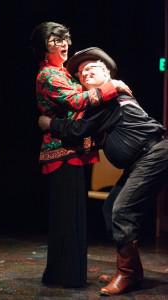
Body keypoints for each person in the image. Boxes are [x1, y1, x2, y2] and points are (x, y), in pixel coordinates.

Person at [38, 47, 168, 295]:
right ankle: (131, 270)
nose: (84, 74)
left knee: (121, 211)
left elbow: (78, 129)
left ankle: (128, 275)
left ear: (107, 74)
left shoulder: (108, 98)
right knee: (111, 208)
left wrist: (50, 123)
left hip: (154, 154)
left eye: (91, 68)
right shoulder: (103, 100)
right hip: (142, 159)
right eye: (80, 72)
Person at [31, 23, 130, 288]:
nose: (63, 44)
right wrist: (114, 86)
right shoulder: (48, 76)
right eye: (56, 40)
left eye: (65, 39)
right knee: (66, 217)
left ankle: (66, 274)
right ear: (44, 46)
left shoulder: (64, 73)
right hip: (60, 153)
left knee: (73, 217)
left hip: (73, 149)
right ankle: (63, 276)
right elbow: (78, 102)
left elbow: (85, 98)